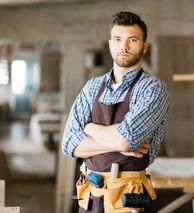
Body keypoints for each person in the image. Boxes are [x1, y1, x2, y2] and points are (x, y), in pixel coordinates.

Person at [61, 11, 170, 213]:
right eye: (118, 39)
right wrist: (117, 145)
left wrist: (89, 127)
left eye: (133, 40)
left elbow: (125, 141)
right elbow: (69, 144)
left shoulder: (153, 89)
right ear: (110, 43)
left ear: (144, 47)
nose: (124, 47)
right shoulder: (92, 87)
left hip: (127, 198)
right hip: (90, 195)